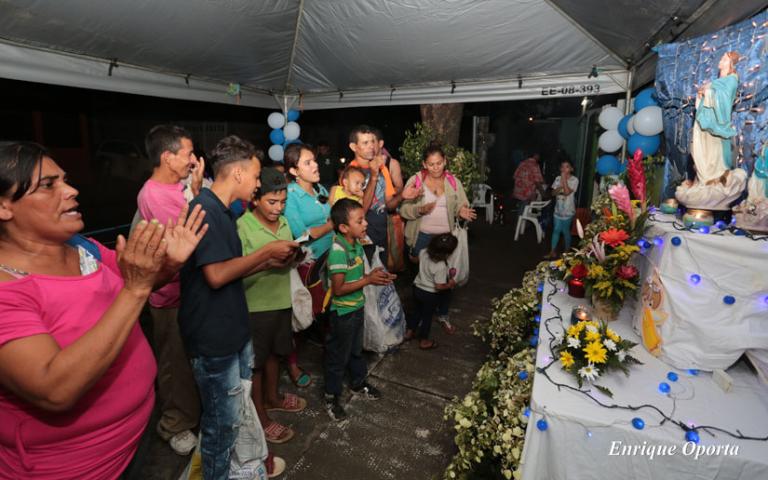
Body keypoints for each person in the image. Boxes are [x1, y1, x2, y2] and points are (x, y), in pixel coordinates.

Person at [0, 142, 207, 479]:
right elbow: (54, 389)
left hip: (134, 437)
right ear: (4, 206)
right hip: (74, 467)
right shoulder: (6, 289)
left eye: (64, 180)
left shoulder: (81, 248)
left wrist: (170, 263)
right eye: (48, 185)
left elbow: (140, 282)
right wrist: (135, 288)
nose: (71, 190)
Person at [180, 136, 297, 480]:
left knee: (234, 417)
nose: (258, 184)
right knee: (220, 427)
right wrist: (265, 252)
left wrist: (266, 264)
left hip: (232, 329)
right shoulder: (205, 210)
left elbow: (229, 268)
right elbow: (216, 276)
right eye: (256, 176)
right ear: (238, 174)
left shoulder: (223, 210)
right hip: (213, 338)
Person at [136, 125, 202, 456]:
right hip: (169, 295)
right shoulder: (154, 195)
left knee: (189, 359)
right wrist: (199, 193)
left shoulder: (178, 186)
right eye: (188, 154)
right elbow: (189, 238)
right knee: (174, 363)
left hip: (189, 290)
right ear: (167, 156)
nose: (193, 160)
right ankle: (174, 424)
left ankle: (192, 412)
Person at [237, 167, 306, 445]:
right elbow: (236, 272)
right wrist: (268, 262)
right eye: (272, 202)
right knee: (255, 364)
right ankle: (260, 416)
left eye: (283, 202)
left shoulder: (285, 223)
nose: (278, 208)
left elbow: (288, 254)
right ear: (255, 199)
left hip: (281, 300)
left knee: (276, 354)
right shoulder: (242, 227)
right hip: (255, 307)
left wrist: (294, 256)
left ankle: (273, 397)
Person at [324, 198, 393, 421]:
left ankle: (357, 383)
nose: (366, 224)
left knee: (356, 350)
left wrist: (374, 276)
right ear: (344, 227)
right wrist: (368, 281)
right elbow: (339, 289)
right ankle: (331, 397)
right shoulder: (338, 251)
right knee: (338, 357)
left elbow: (356, 277)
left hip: (356, 308)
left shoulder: (355, 244)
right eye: (360, 220)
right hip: (342, 314)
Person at [283, 143, 334, 387]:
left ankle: (329, 346)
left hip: (330, 258)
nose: (315, 165)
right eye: (308, 162)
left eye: (314, 160)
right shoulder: (290, 196)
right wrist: (333, 224)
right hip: (308, 264)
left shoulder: (319, 189)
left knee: (326, 308)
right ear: (294, 171)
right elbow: (300, 234)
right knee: (302, 314)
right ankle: (292, 364)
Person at [348, 125, 420, 265]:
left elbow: (389, 205)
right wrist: (374, 176)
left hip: (381, 234)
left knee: (382, 274)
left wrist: (402, 196)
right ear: (353, 147)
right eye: (365, 143)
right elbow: (360, 210)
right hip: (361, 238)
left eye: (372, 141)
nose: (371, 146)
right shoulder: (350, 173)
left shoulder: (382, 169)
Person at [399, 143, 476, 261]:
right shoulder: (416, 181)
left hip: (446, 239)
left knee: (445, 271)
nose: (436, 168)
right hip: (421, 237)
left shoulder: (454, 182)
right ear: (424, 164)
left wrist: (460, 211)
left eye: (439, 163)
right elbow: (403, 211)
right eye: (431, 164)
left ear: (445, 161)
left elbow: (461, 204)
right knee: (420, 270)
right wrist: (420, 210)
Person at [406, 233, 459, 350]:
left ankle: (409, 332)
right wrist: (450, 285)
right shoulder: (440, 266)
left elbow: (415, 260)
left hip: (417, 288)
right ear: (447, 254)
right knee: (427, 317)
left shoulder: (423, 252)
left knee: (416, 311)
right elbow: (439, 286)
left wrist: (411, 257)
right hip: (429, 295)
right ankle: (424, 340)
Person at [545, 161, 579, 259]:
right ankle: (552, 251)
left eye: (567, 167)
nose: (564, 169)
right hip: (558, 210)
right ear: (560, 169)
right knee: (556, 230)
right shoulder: (557, 178)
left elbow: (567, 192)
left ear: (571, 169)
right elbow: (553, 193)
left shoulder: (574, 180)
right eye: (562, 167)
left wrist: (563, 180)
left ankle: (567, 252)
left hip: (568, 210)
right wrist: (560, 186)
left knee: (565, 231)